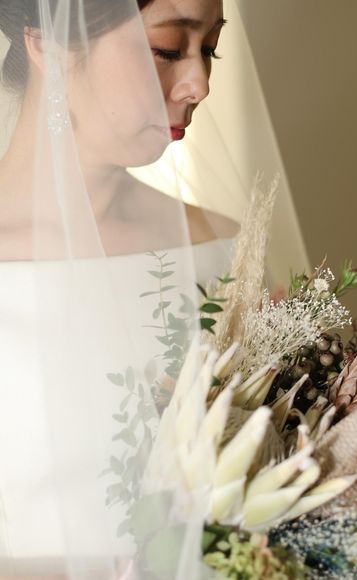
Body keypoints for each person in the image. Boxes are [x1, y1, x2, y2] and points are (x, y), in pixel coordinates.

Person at [0, 0, 244, 577]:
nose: (200, 85)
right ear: (48, 42)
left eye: (210, 50)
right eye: (168, 49)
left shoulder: (222, 249)